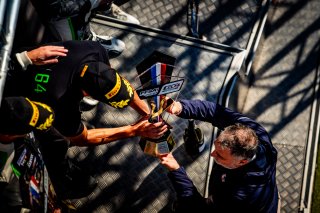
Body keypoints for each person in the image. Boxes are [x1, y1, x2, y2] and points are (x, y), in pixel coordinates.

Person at [158, 99, 279, 213]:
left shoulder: (238, 195)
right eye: (215, 147)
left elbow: (199, 207)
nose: (212, 154)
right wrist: (180, 107)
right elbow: (216, 112)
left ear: (242, 162)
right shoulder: (255, 132)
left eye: (220, 156)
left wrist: (175, 170)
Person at [30, 0, 140, 58]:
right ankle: (82, 64)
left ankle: (105, 7)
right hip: (61, 18)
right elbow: (52, 10)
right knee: (117, 48)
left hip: (75, 10)